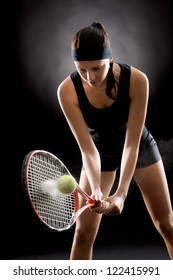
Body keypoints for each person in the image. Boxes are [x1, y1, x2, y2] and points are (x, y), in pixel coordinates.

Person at [57, 22, 173, 260]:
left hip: (139, 147)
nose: (90, 77)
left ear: (110, 59)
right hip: (99, 152)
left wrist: (120, 193)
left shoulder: (138, 81)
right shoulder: (66, 91)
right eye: (82, 70)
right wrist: (97, 188)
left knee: (166, 224)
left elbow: (131, 143)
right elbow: (87, 149)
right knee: (83, 233)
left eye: (97, 68)